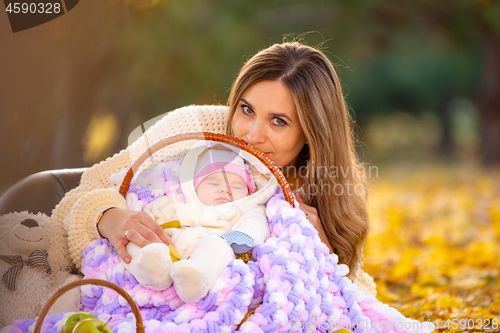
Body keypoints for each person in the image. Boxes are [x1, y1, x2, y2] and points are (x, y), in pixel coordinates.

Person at [53, 41, 375, 295]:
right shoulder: (197, 128)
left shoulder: (319, 188)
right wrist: (110, 217)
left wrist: (323, 257)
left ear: (312, 132)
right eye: (246, 109)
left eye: (279, 121)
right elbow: (92, 185)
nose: (251, 135)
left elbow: (357, 296)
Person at [121, 141, 277, 303]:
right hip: (166, 249)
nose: (225, 189)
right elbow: (148, 220)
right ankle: (152, 272)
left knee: (218, 248)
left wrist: (241, 237)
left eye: (237, 186)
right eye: (213, 183)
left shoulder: (243, 210)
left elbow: (256, 223)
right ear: (194, 188)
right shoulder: (175, 205)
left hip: (208, 252)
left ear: (248, 194)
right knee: (136, 241)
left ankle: (195, 281)